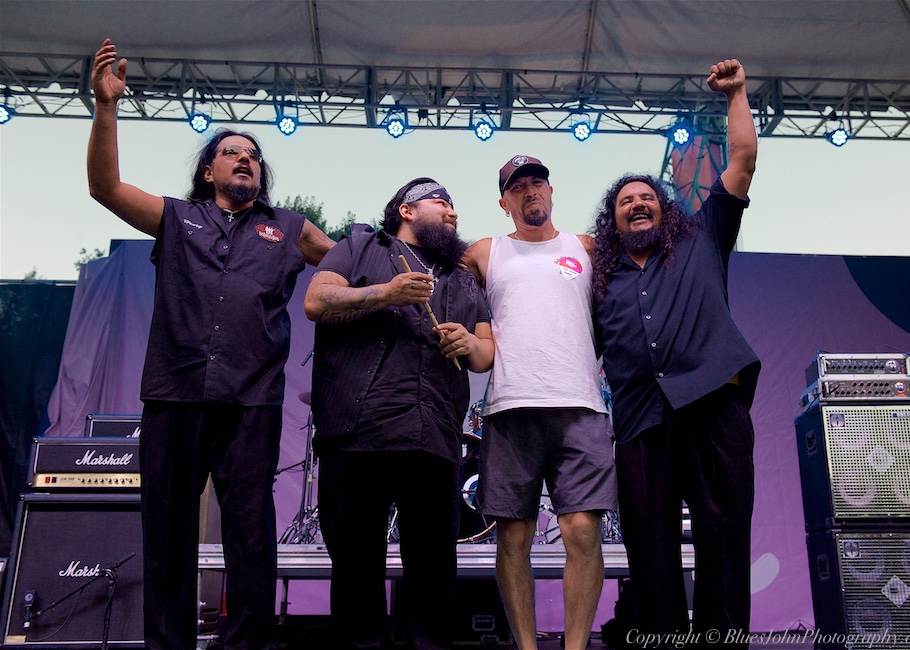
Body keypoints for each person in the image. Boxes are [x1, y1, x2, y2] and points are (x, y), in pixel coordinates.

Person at [87, 38, 335, 650]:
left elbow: (349, 266)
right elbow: (105, 187)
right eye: (231, 152)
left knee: (250, 531)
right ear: (209, 169)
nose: (244, 160)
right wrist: (106, 109)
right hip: (175, 394)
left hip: (251, 401)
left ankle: (246, 643)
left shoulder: (290, 228)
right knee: (167, 530)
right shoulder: (177, 216)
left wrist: (406, 261)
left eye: (252, 155)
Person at [590, 59, 759, 648]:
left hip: (715, 404)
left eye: (646, 197)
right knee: (649, 548)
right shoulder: (599, 279)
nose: (637, 203)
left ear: (664, 208)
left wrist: (735, 95)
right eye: (624, 201)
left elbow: (741, 161)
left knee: (723, 534)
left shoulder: (704, 235)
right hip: (640, 421)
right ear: (610, 222)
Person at [304, 178, 494, 649]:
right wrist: (385, 293)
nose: (452, 212)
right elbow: (317, 301)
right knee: (355, 574)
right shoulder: (358, 247)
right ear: (406, 211)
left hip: (434, 437)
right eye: (440, 203)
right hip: (355, 434)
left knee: (433, 577)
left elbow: (486, 350)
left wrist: (470, 343)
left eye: (454, 206)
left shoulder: (464, 276)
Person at [464, 157, 617, 650]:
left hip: (581, 406)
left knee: (581, 531)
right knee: (513, 537)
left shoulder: (586, 247)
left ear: (551, 191)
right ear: (504, 201)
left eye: (537, 182)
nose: (530, 190)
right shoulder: (486, 252)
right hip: (510, 408)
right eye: (518, 186)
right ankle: (526, 648)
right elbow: (436, 273)